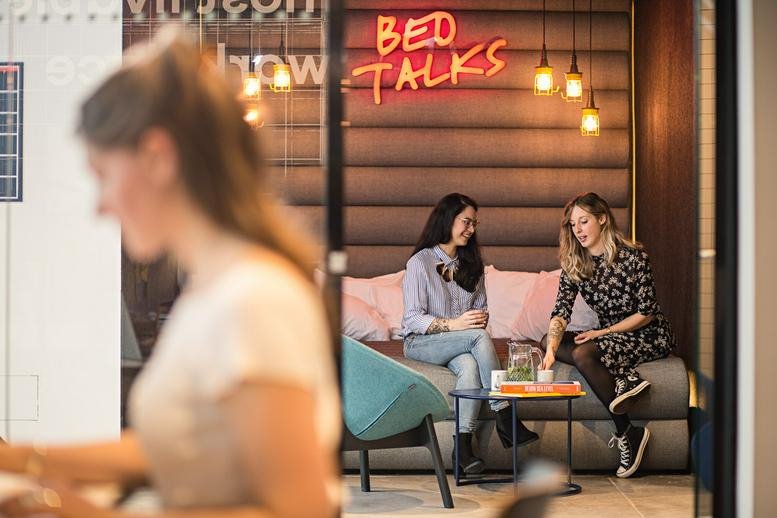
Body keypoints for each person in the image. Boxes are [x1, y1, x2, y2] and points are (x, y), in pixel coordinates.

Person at [0, 30, 340, 517]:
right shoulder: (215, 286)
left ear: (157, 157)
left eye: (103, 176)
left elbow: (299, 509)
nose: (101, 206)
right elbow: (181, 449)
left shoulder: (254, 299)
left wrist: (77, 510)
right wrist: (21, 461)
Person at [540, 192, 675, 479]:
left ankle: (627, 431)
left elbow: (647, 313)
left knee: (583, 352)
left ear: (602, 219)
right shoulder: (575, 263)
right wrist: (551, 350)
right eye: (573, 224)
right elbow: (561, 311)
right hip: (608, 339)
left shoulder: (634, 257)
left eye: (584, 221)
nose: (578, 230)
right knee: (548, 339)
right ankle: (626, 383)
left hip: (647, 334)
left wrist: (602, 332)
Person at [401, 193, 538, 475]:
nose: (471, 229)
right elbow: (413, 319)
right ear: (447, 219)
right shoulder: (420, 262)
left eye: (474, 223)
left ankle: (462, 448)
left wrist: (478, 319)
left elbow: (480, 309)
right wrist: (457, 325)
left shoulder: (473, 263)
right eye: (466, 222)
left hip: (460, 343)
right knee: (478, 338)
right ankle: (504, 413)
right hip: (421, 342)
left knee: (469, 365)